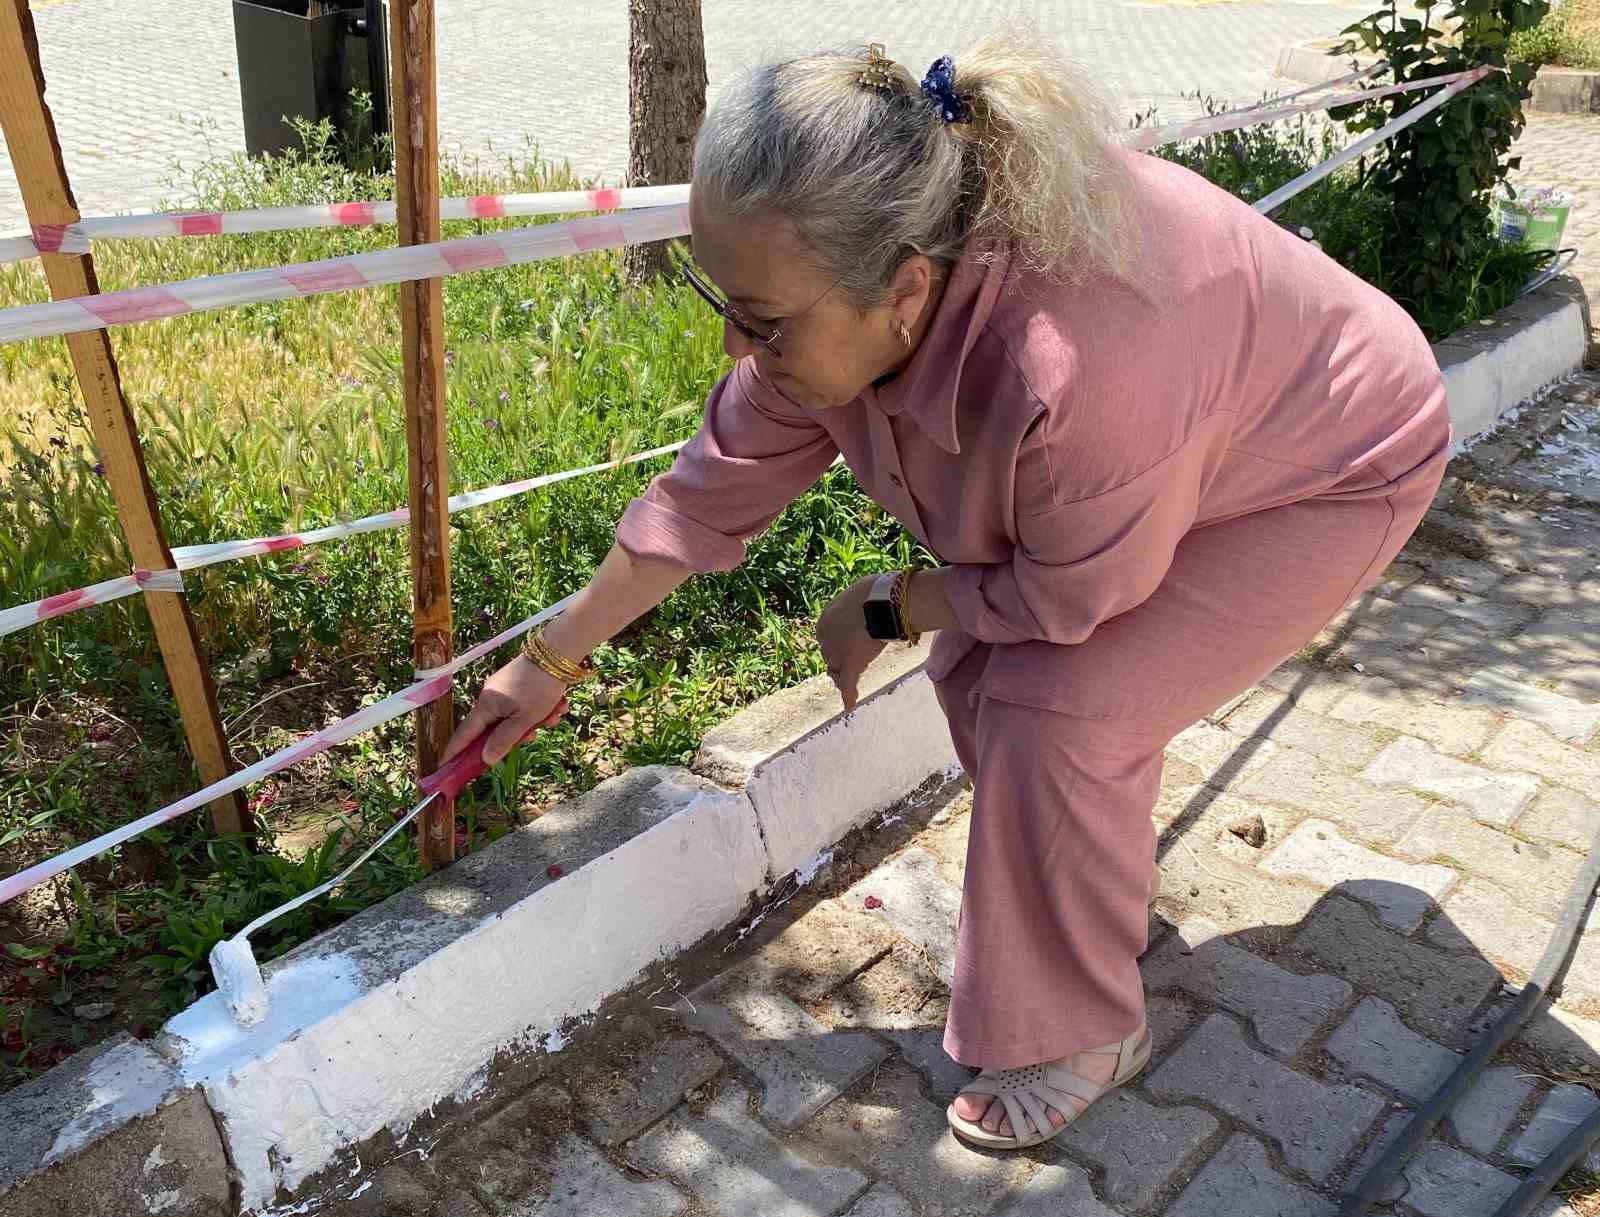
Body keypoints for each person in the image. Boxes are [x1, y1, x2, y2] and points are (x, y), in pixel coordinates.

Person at [443, 31, 1450, 1151]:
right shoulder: (845, 286)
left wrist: (889, 603)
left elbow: (1069, 604)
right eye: (720, 297)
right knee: (993, 683)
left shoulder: (1070, 368)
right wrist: (548, 664)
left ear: (906, 290)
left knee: (1057, 707)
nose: (733, 342)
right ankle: (1080, 915)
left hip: (1335, 463)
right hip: (1194, 438)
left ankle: (1085, 1029)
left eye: (762, 321)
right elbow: (702, 498)